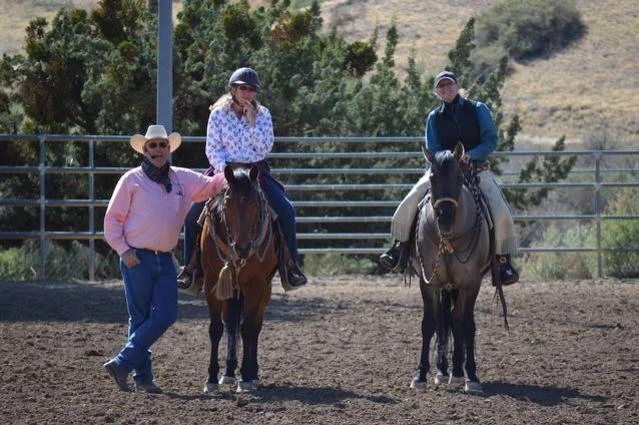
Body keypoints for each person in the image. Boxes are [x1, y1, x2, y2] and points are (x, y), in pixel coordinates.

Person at [102, 124, 226, 393]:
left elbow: (211, 185)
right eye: (153, 146)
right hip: (137, 257)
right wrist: (124, 250)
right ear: (145, 151)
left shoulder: (183, 178)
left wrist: (232, 172)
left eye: (162, 145)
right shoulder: (131, 180)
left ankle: (123, 362)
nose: (158, 150)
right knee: (140, 317)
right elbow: (112, 219)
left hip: (165, 259)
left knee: (166, 314)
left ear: (169, 149)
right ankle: (142, 378)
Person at [379, 71, 519, 285]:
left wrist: (469, 156)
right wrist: (449, 162)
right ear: (436, 92)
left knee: (500, 211)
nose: (446, 89)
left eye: (449, 85)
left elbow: (490, 140)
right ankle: (399, 249)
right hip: (443, 173)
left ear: (458, 85)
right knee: (411, 199)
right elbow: (433, 147)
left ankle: (502, 261)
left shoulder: (478, 109)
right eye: (441, 87)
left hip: (476, 169)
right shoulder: (434, 117)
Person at [177, 67, 307, 289]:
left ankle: (290, 265)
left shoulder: (262, 114)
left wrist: (251, 122)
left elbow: (264, 148)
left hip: (255, 171)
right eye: (242, 88)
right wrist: (223, 172)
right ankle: (190, 268)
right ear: (233, 89)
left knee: (286, 210)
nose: (247, 93)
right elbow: (213, 148)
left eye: (251, 89)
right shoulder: (218, 113)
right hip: (223, 171)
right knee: (192, 213)